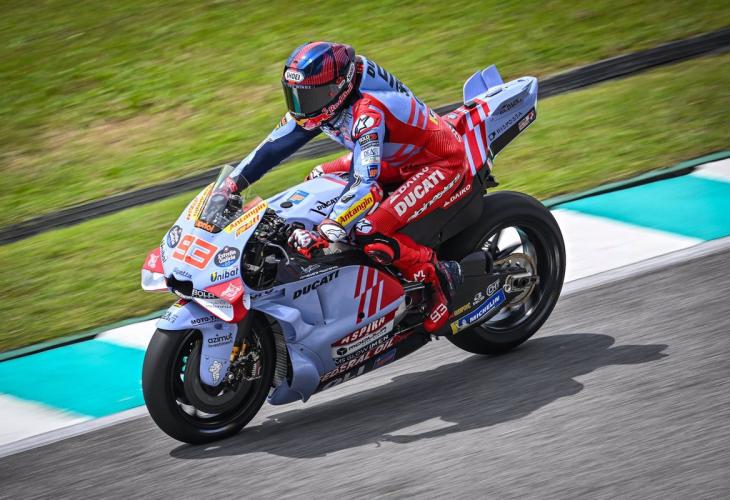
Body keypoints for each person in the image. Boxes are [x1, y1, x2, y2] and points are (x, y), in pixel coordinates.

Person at [227, 41, 470, 332]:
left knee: (368, 231)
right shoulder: (322, 102)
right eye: (295, 95)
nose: (301, 106)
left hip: (435, 162)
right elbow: (271, 148)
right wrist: (230, 185)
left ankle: (438, 276)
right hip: (389, 156)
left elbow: (364, 182)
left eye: (310, 96)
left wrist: (328, 229)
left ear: (338, 87)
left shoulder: (368, 112)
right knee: (317, 175)